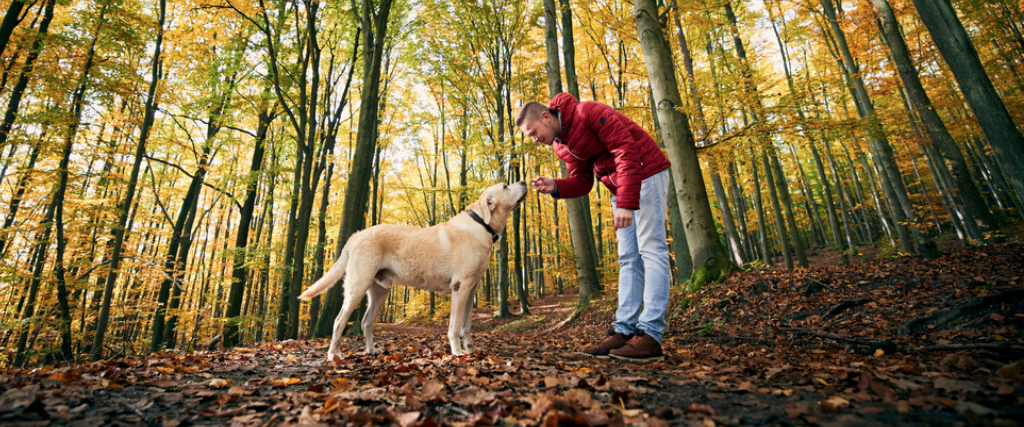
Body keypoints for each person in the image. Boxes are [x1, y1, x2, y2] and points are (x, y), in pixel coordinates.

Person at [516, 93, 671, 361]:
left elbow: (626, 149)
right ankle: (623, 332)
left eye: (533, 132)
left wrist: (625, 201)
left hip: (646, 173)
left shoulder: (587, 112)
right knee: (627, 258)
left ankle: (651, 336)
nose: (534, 139)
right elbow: (582, 182)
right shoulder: (561, 145)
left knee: (651, 250)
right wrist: (555, 186)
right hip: (620, 188)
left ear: (545, 117)